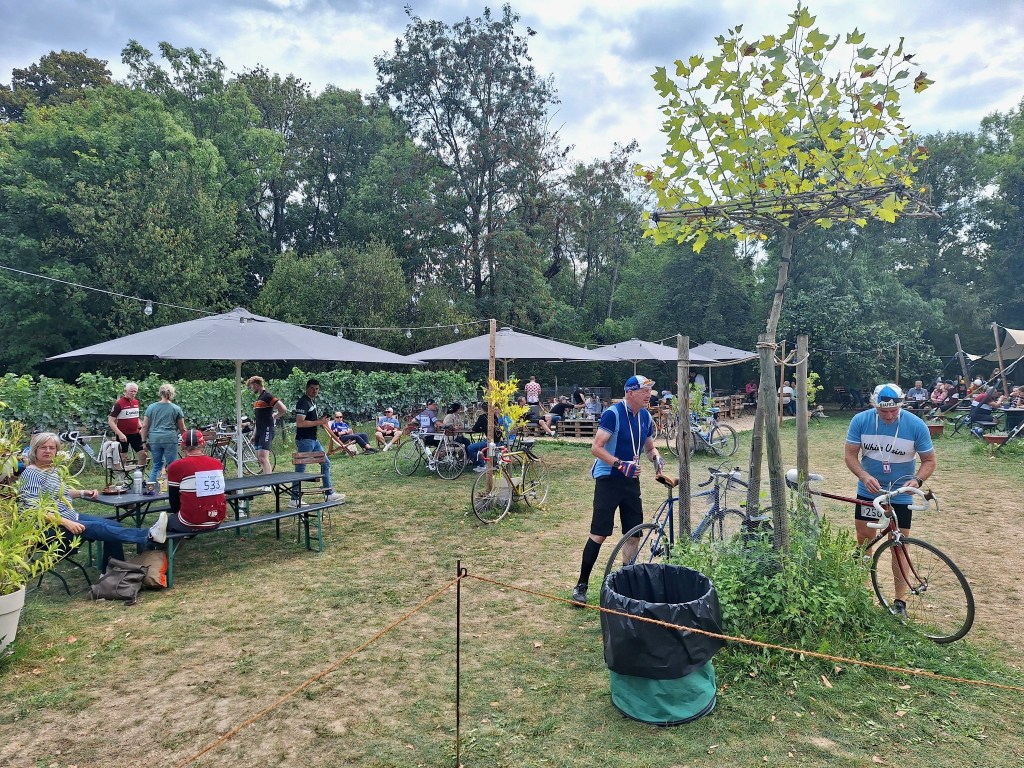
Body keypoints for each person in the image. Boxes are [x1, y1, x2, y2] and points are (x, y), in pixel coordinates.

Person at [571, 375, 664, 606]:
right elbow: (596, 448)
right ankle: (581, 585)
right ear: (630, 393)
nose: (649, 395)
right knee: (599, 533)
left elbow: (649, 448)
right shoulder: (613, 414)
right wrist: (620, 464)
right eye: (644, 391)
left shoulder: (645, 416)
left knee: (634, 533)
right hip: (609, 478)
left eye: (650, 391)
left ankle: (625, 583)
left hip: (631, 479)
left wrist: (656, 458)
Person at [844, 383, 935, 619]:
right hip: (869, 492)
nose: (889, 415)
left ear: (901, 405)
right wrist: (863, 475)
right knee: (865, 542)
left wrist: (917, 480)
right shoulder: (861, 420)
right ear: (874, 405)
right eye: (883, 411)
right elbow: (850, 455)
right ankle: (862, 593)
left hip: (900, 493)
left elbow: (929, 460)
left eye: (894, 410)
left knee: (899, 545)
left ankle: (899, 602)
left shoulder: (916, 424)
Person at [19, 432, 168, 570]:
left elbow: (61, 492)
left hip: (70, 517)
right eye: (43, 447)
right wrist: (67, 523)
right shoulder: (31, 474)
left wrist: (83, 493)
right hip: (51, 529)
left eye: (52, 448)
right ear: (35, 450)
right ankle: (148, 535)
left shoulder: (52, 469)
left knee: (113, 525)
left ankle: (111, 572)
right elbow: (33, 510)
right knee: (100, 528)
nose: (48, 451)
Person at [291, 379, 344, 508]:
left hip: (313, 440)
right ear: (307, 388)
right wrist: (319, 422)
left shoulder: (311, 401)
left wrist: (321, 420)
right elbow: (300, 423)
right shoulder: (303, 402)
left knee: (326, 463)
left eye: (317, 389)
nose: (315, 391)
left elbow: (311, 420)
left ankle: (329, 493)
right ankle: (294, 499)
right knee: (300, 468)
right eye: (312, 388)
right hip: (305, 440)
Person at [166, 429, 226, 534]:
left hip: (189, 522)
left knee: (165, 521)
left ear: (182, 446)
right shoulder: (217, 464)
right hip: (217, 519)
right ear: (203, 444)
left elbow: (174, 501)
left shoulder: (176, 466)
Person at [140, 383, 186, 483]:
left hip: (154, 439)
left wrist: (143, 442)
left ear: (160, 393)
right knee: (172, 465)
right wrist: (186, 441)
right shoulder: (176, 408)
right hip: (170, 439)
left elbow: (144, 426)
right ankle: (171, 488)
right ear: (172, 393)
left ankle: (151, 488)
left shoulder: (151, 407)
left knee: (157, 465)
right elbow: (182, 428)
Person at [247, 375, 288, 475]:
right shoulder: (259, 399)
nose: (251, 389)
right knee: (259, 457)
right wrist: (254, 435)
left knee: (263, 457)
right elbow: (258, 419)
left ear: (255, 384)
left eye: (251, 386)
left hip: (267, 429)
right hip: (259, 430)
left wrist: (275, 416)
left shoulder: (267, 396)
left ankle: (268, 482)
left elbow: (283, 409)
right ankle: (266, 479)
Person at [107, 381, 147, 468]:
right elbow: (110, 421)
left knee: (143, 455)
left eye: (135, 391)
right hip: (123, 435)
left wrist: (140, 427)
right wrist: (119, 434)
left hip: (135, 434)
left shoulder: (136, 402)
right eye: (131, 391)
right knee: (123, 457)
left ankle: (139, 474)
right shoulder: (119, 404)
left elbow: (136, 417)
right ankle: (121, 475)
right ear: (125, 391)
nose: (133, 393)